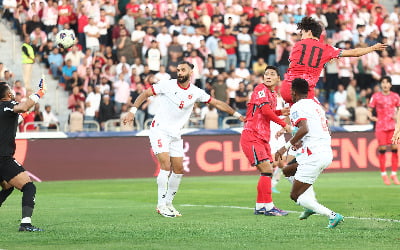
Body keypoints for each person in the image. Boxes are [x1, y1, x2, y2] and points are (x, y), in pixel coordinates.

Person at [123, 61, 244, 218]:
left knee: (179, 170)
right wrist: (132, 111)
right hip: (159, 129)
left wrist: (238, 116)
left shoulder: (196, 92)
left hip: (175, 134)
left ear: (191, 72)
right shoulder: (167, 85)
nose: (179, 72)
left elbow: (217, 103)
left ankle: (168, 203)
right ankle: (160, 205)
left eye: (183, 70)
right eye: (178, 70)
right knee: (165, 166)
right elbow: (145, 93)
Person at [275, 78, 344, 229]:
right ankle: (309, 205)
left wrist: (284, 148)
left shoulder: (297, 107)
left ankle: (332, 215)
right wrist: (302, 141)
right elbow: (323, 128)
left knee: (295, 196)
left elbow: (304, 129)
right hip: (322, 151)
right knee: (287, 170)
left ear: (293, 92)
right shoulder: (316, 105)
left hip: (314, 155)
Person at [280, 17, 387, 105]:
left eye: (302, 33)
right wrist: (372, 48)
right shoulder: (326, 49)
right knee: (318, 122)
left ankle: (289, 128)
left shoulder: (297, 45)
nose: (301, 36)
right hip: (304, 92)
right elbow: (354, 53)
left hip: (286, 89)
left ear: (309, 32)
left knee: (296, 120)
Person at [240, 66, 291, 216]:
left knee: (266, 172)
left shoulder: (273, 94)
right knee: (267, 170)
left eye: (272, 74)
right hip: (252, 135)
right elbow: (266, 111)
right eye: (266, 74)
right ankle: (269, 207)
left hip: (262, 137)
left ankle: (260, 206)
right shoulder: (260, 89)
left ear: (278, 79)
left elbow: (266, 111)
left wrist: (280, 112)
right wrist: (284, 124)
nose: (268, 76)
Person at [0, 77, 46, 231]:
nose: (13, 91)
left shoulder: (3, 110)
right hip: (3, 158)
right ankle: (25, 224)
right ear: (9, 94)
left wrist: (29, 106)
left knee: (7, 187)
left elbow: (19, 116)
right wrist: (40, 93)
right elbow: (22, 107)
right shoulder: (8, 105)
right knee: (28, 187)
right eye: (10, 89)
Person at [368, 76, 400, 185]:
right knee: (382, 149)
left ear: (390, 85)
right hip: (381, 126)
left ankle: (394, 174)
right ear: (381, 84)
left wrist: (397, 117)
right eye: (383, 82)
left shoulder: (396, 96)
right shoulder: (376, 96)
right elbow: (370, 109)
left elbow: (399, 109)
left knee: (395, 148)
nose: (385, 84)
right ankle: (384, 174)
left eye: (387, 82)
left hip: (392, 126)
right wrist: (371, 117)